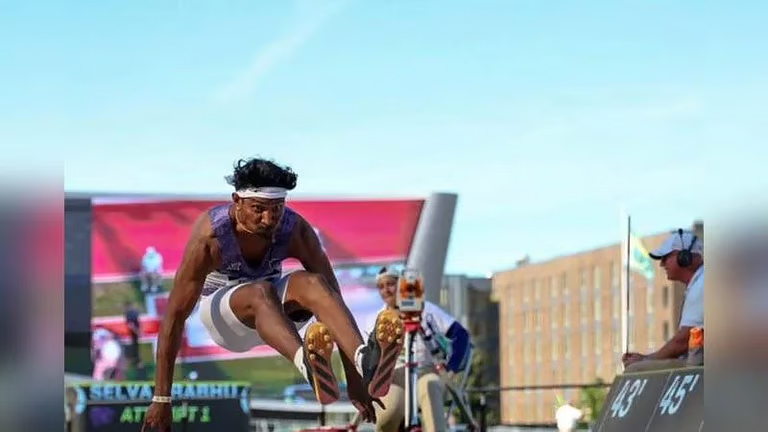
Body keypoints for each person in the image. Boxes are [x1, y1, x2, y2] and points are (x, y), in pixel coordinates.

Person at [141, 158, 404, 431]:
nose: (268, 220)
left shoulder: (295, 229)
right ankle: (307, 364)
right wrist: (161, 398)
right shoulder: (211, 238)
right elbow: (174, 317)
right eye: (258, 209)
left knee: (314, 283)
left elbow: (332, 298)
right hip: (225, 322)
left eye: (277, 209)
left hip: (276, 318)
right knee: (261, 290)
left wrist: (354, 377)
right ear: (237, 202)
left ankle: (365, 361)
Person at [367, 267, 471, 432]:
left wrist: (451, 367)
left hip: (427, 370)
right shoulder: (378, 318)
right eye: (381, 286)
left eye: (391, 284)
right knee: (388, 415)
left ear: (402, 285)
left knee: (429, 389)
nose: (386, 290)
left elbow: (461, 335)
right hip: (395, 373)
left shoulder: (425, 309)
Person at [623, 229, 704, 372]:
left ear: (685, 257)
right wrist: (647, 358)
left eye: (665, 258)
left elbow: (683, 340)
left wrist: (647, 359)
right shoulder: (700, 282)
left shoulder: (702, 285)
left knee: (635, 369)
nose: (661, 264)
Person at [124, 301, 142, 368]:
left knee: (135, 347)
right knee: (134, 347)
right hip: (133, 333)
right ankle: (137, 362)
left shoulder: (130, 313)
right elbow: (131, 324)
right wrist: (137, 331)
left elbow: (132, 324)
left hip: (134, 333)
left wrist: (138, 330)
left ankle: (136, 362)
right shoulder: (130, 313)